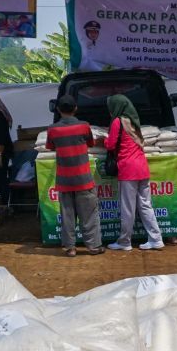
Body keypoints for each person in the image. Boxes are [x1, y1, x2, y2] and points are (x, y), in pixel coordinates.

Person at [105, 95, 164, 252]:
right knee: (145, 205)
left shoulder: (118, 121)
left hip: (128, 169)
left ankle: (125, 241)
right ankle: (156, 239)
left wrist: (103, 140)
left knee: (128, 208)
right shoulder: (133, 121)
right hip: (142, 168)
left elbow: (110, 145)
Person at [46, 95, 103, 256]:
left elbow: (50, 147)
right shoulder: (84, 126)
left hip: (64, 180)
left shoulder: (52, 129)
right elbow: (90, 143)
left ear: (58, 109)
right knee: (89, 214)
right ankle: (93, 247)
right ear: (75, 108)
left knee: (67, 215)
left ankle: (70, 248)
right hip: (83, 179)